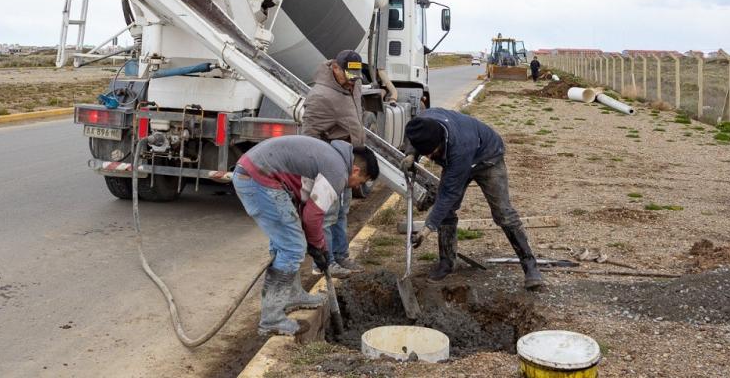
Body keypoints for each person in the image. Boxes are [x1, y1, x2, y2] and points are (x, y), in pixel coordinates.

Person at [233, 135, 379, 335]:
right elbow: (313, 215)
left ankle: (292, 295)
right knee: (291, 248)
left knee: (287, 244)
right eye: (360, 181)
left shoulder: (332, 159)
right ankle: (271, 319)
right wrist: (319, 247)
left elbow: (307, 209)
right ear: (356, 170)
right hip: (259, 179)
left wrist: (318, 246)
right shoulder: (337, 172)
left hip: (257, 174)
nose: (356, 186)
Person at [401, 108, 544, 290]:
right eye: (426, 154)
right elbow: (411, 135)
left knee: (503, 213)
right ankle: (447, 262)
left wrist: (428, 228)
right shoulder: (422, 121)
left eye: (433, 153)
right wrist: (411, 153)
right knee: (447, 212)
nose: (429, 157)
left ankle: (530, 266)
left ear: (441, 142)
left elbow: (447, 194)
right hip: (459, 156)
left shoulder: (459, 148)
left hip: (487, 158)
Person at [302, 50, 366, 277]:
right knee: (327, 214)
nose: (352, 81)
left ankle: (341, 256)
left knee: (342, 211)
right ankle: (323, 263)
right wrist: (320, 168)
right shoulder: (320, 96)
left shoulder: (353, 83)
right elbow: (308, 137)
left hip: (347, 158)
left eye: (355, 76)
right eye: (347, 75)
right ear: (335, 68)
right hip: (328, 164)